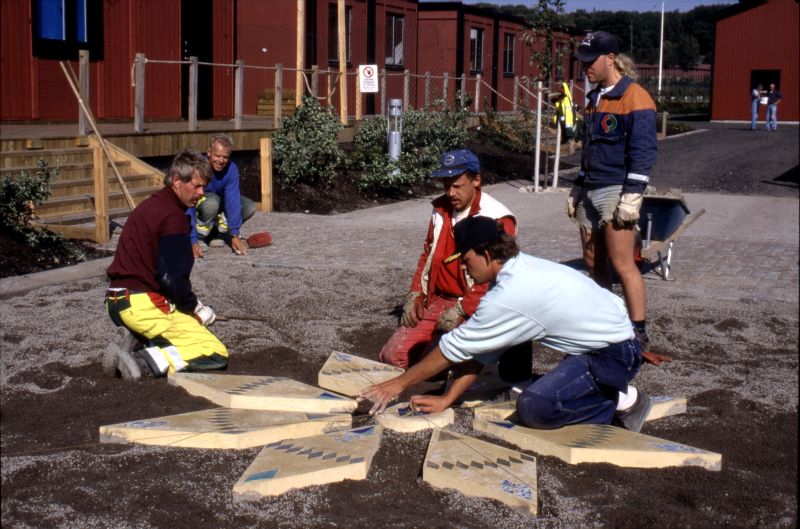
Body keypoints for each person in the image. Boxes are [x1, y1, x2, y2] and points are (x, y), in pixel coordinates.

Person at [359, 216, 652, 433]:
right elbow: (480, 349)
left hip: (613, 354)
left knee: (535, 409)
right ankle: (571, 386)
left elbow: (454, 348)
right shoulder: (519, 268)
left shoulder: (511, 294)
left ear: (486, 254)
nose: (462, 266)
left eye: (465, 258)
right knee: (504, 338)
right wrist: (449, 396)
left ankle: (623, 400)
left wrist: (397, 384)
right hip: (599, 341)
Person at [378, 148, 531, 385]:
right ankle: (451, 362)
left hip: (476, 303)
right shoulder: (441, 210)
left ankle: (466, 365)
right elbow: (428, 253)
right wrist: (417, 291)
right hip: (440, 299)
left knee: (431, 365)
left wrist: (463, 309)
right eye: (446, 185)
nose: (450, 193)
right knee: (393, 356)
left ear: (476, 180)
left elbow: (497, 276)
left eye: (457, 186)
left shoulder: (497, 217)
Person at [565, 31, 670, 367]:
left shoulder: (636, 97)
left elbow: (643, 152)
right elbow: (589, 149)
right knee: (593, 261)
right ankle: (604, 323)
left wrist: (632, 197)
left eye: (590, 61)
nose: (585, 69)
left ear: (610, 58)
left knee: (623, 263)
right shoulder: (594, 97)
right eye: (582, 62)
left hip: (615, 189)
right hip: (592, 187)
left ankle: (637, 332)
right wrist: (578, 186)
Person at [104, 150, 228, 380]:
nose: (201, 193)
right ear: (177, 181)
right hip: (141, 302)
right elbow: (171, 279)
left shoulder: (151, 206)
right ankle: (140, 362)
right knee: (213, 352)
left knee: (184, 327)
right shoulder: (173, 217)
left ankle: (140, 339)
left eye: (203, 187)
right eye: (197, 186)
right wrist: (195, 308)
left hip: (116, 299)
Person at [189, 133, 256, 258]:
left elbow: (233, 200)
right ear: (209, 152)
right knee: (212, 202)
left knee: (248, 206)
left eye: (225, 157)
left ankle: (216, 234)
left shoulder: (231, 169)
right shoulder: (198, 168)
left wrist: (234, 235)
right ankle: (200, 236)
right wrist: (192, 240)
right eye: (217, 156)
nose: (221, 161)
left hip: (218, 203)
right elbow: (189, 204)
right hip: (202, 205)